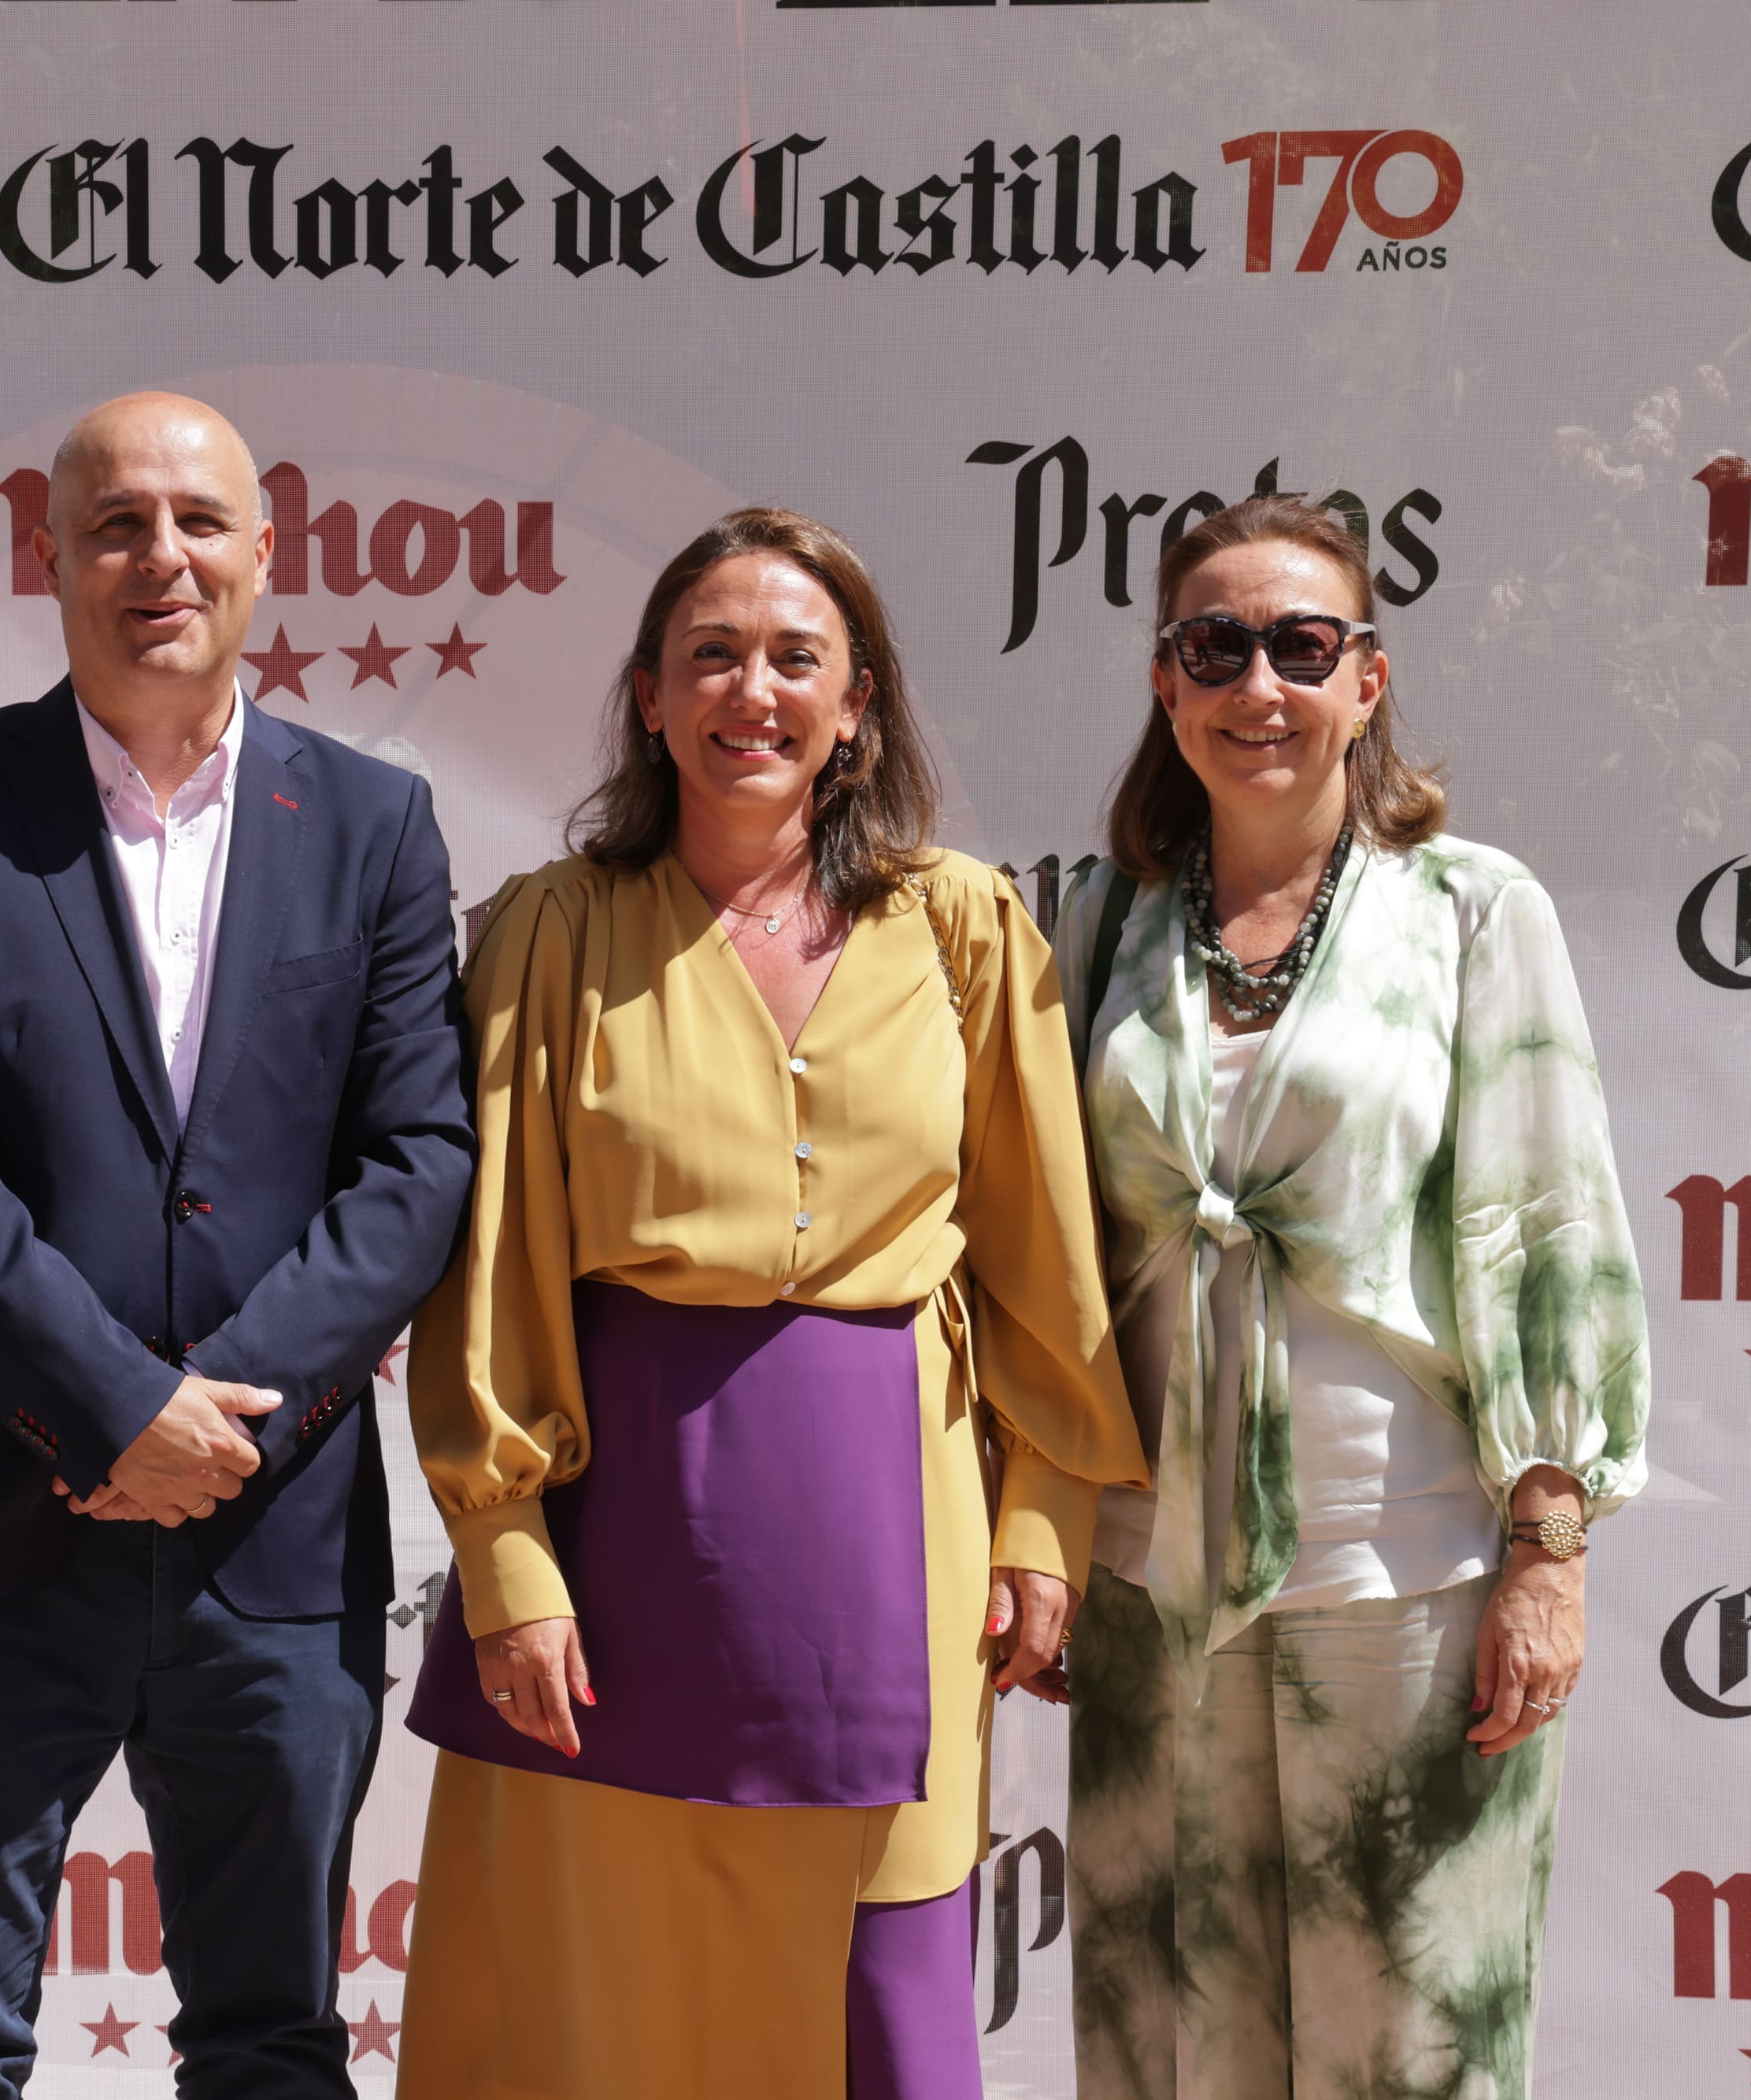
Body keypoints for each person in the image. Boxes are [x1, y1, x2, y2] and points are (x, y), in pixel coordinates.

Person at [395, 507, 1149, 2100]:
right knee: (602, 1997)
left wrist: (1040, 1523)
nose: (753, 689)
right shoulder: (548, 931)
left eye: (795, 657)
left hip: (899, 1540)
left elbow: (1035, 1261)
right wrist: (505, 1552)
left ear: (856, 704)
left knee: (877, 1982)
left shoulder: (959, 922)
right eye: (711, 655)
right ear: (650, 699)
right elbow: (492, 1268)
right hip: (612, 1547)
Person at [0, 391, 474, 2098]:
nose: (158, 557)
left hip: (268, 1539)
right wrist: (114, 1408)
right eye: (115, 523)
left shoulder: (373, 824)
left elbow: (414, 1161)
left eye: (197, 520)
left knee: (272, 2044)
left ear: (270, 552)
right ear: (49, 554)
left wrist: (216, 1414)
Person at [1057, 495, 1650, 2100]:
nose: (1259, 683)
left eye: (1299, 645)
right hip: (1146, 1581)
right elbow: (1050, 1260)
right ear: (1166, 681)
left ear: (1364, 680)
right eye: (1215, 645)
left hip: (1405, 1570)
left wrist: (1545, 1544)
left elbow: (1543, 1220)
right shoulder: (1099, 924)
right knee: (1167, 2030)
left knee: (1408, 2047)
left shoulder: (1468, 906)